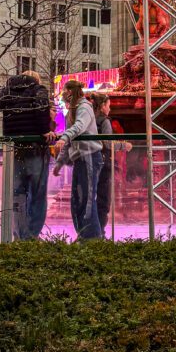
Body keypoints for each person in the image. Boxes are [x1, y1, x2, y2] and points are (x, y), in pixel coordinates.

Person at [0, 70, 55, 240]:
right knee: (37, 193)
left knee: (18, 193)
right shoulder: (39, 90)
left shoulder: (7, 92)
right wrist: (44, 130)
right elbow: (41, 106)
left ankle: (19, 234)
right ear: (36, 80)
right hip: (35, 147)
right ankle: (31, 235)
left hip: (14, 148)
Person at [53, 79, 103, 240]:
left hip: (89, 157)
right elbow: (71, 137)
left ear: (71, 92)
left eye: (65, 92)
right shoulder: (73, 111)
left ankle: (92, 238)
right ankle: (84, 235)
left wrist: (64, 138)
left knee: (86, 200)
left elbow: (79, 127)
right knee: (77, 199)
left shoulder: (84, 108)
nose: (62, 96)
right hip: (81, 159)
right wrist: (60, 162)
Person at [88, 90, 131, 235]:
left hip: (89, 160)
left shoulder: (89, 118)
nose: (110, 109)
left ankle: (89, 231)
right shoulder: (104, 121)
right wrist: (123, 146)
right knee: (103, 199)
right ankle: (99, 232)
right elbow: (107, 143)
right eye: (109, 106)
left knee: (90, 197)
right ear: (102, 106)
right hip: (103, 162)